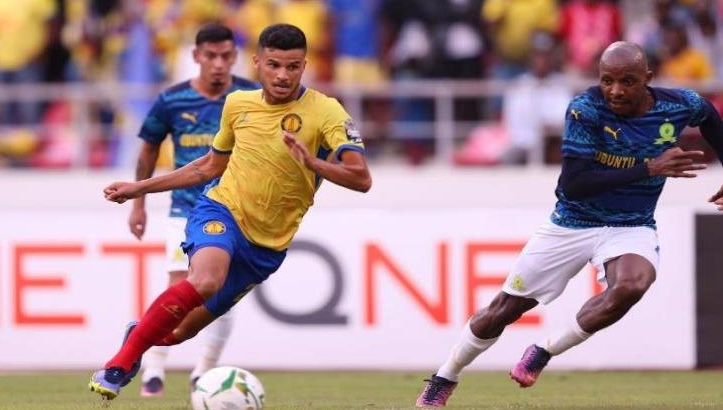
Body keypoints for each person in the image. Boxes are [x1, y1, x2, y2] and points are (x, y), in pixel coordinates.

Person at [416, 40, 723, 407]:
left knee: (633, 285)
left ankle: (544, 351)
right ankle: (445, 375)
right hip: (572, 222)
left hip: (631, 225)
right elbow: (574, 183)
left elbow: (709, 116)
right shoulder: (585, 109)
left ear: (648, 79)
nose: (615, 90)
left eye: (627, 81)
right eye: (607, 80)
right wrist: (649, 168)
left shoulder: (677, 105)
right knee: (503, 310)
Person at [88, 23, 371, 401]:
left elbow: (361, 178)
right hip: (221, 210)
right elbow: (208, 167)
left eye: (292, 66)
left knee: (180, 332)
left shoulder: (328, 112)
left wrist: (313, 163)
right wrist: (139, 189)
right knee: (206, 280)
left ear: (304, 66)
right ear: (257, 63)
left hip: (267, 245)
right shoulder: (238, 105)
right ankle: (119, 364)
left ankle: (137, 335)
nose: (282, 75)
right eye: (273, 65)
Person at [129, 23, 259, 397]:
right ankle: (154, 368)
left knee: (223, 294)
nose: (218, 64)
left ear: (235, 57)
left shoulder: (250, 97)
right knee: (179, 287)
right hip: (185, 208)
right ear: (196, 56)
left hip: (234, 209)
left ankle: (204, 371)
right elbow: (148, 150)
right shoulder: (172, 100)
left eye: (225, 56)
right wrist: (139, 205)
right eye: (211, 56)